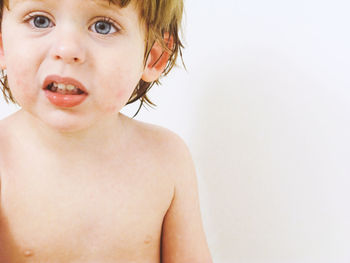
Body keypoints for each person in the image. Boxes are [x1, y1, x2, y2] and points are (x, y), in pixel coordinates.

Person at [0, 0, 212, 262]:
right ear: (2, 45)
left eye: (103, 26)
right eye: (40, 21)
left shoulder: (166, 158)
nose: (67, 49)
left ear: (155, 56)